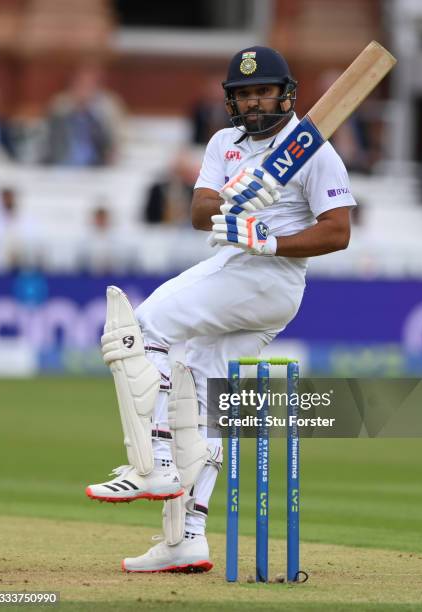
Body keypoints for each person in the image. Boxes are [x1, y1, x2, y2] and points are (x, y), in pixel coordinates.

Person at [86, 46, 356, 573]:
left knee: (143, 324)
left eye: (263, 91)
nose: (254, 102)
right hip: (238, 272)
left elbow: (338, 231)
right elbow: (198, 211)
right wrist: (238, 200)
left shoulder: (314, 150)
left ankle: (155, 461)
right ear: (232, 100)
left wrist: (272, 240)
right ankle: (188, 536)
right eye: (244, 93)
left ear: (286, 93)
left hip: (271, 276)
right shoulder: (224, 143)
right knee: (206, 390)